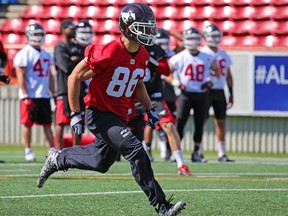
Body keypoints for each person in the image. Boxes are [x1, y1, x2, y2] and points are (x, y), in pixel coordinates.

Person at [36, 3, 186, 216]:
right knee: (135, 150)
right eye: (143, 27)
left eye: (149, 27)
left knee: (100, 162)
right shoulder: (108, 51)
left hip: (119, 115)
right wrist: (76, 113)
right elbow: (74, 77)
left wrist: (149, 109)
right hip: (98, 112)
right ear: (128, 27)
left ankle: (58, 159)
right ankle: (162, 206)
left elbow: (138, 82)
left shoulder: (142, 54)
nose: (149, 31)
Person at [166, 27, 221, 163]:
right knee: (180, 123)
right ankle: (176, 152)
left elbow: (218, 70)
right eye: (190, 38)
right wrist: (176, 83)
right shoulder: (178, 57)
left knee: (199, 124)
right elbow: (165, 73)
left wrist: (211, 82)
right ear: (184, 40)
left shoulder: (207, 57)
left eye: (196, 38)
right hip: (185, 94)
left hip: (201, 94)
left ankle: (196, 152)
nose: (193, 41)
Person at [141, 41, 192, 175]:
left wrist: (148, 59)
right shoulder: (123, 47)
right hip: (128, 94)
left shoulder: (156, 49)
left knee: (168, 125)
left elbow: (165, 70)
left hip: (152, 96)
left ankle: (181, 164)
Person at [13, 23, 56, 161]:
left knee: (47, 124)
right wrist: (25, 94)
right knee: (28, 123)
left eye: (40, 34)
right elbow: (21, 75)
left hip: (43, 94)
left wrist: (53, 93)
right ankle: (28, 150)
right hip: (30, 94)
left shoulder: (46, 54)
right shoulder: (24, 53)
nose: (38, 37)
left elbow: (49, 76)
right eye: (35, 34)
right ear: (29, 36)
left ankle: (52, 151)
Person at [201, 23, 234, 162]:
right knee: (201, 121)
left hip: (220, 91)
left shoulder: (223, 54)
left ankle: (221, 153)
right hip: (205, 91)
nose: (215, 38)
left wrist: (231, 93)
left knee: (221, 122)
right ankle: (199, 150)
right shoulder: (202, 53)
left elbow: (228, 75)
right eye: (212, 35)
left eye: (216, 35)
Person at [54, 19, 86, 150]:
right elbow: (66, 66)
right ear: (63, 30)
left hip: (79, 88)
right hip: (64, 89)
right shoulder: (60, 46)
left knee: (78, 120)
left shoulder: (79, 46)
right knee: (61, 122)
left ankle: (76, 149)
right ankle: (59, 150)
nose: (73, 30)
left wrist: (75, 59)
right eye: (70, 28)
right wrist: (77, 61)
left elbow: (86, 63)